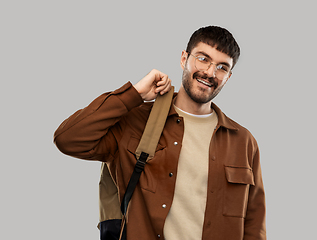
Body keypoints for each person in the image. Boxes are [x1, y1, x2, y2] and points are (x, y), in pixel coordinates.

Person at [54, 25, 266, 240]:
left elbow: (254, 223)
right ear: (184, 59)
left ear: (228, 77)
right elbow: (68, 139)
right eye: (203, 59)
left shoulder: (243, 141)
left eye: (222, 67)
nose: (210, 73)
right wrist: (133, 94)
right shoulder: (136, 121)